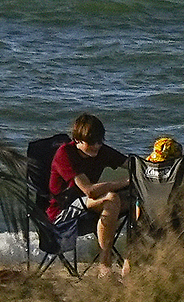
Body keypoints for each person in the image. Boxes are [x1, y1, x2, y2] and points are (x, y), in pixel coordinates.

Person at [49, 112, 132, 269]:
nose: (96, 146)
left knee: (135, 200)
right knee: (111, 198)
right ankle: (105, 263)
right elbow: (89, 190)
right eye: (91, 142)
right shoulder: (65, 154)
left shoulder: (101, 151)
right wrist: (126, 182)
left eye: (99, 142)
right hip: (63, 211)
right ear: (77, 140)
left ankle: (132, 260)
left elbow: (131, 164)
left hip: (87, 208)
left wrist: (155, 163)